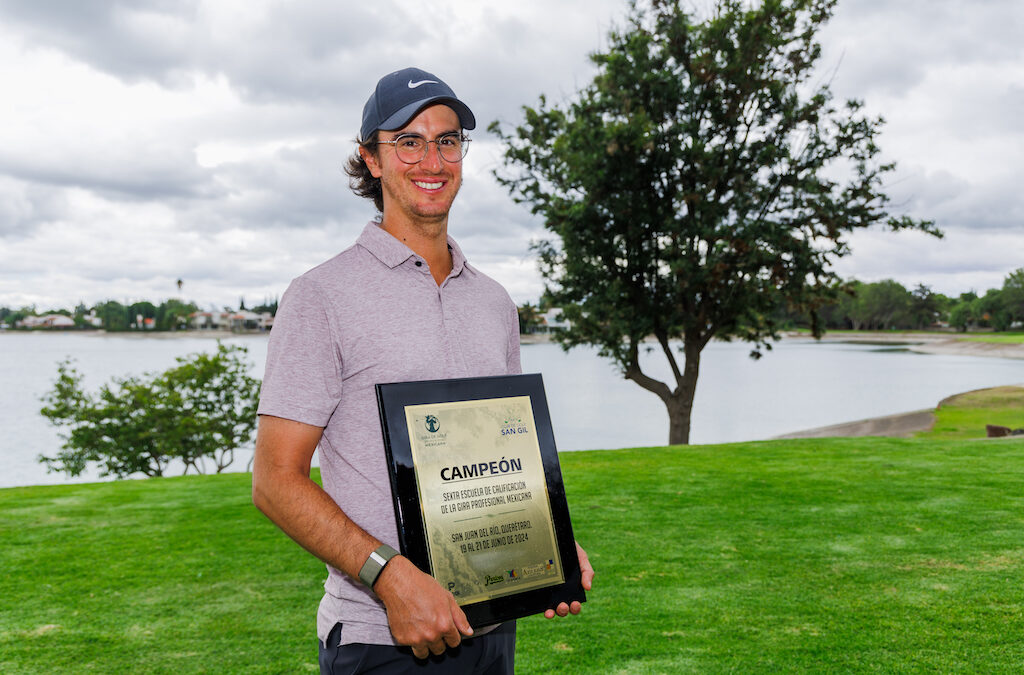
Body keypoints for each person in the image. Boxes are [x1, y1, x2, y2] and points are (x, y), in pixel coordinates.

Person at [252, 67, 594, 674]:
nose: (431, 158)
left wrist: (547, 546)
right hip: (381, 640)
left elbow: (504, 457)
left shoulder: (493, 301)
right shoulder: (321, 296)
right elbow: (275, 480)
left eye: (447, 140)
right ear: (371, 160)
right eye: (407, 141)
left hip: (494, 630)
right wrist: (390, 578)